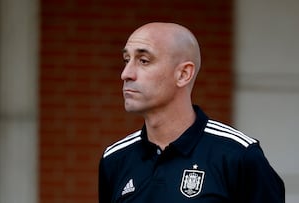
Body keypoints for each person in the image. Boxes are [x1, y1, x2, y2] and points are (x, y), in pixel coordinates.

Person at [99, 22, 285, 203]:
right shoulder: (115, 159)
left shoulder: (238, 156)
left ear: (183, 74)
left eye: (144, 61)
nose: (126, 73)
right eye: (126, 60)